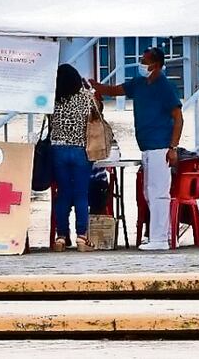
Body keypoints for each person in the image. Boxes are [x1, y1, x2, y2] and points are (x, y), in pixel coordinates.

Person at [91, 47, 183, 251]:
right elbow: (117, 90)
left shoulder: (165, 87)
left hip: (161, 146)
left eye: (145, 61)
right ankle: (163, 233)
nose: (141, 64)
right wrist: (96, 86)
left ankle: (159, 239)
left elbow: (178, 118)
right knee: (149, 192)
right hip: (147, 146)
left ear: (156, 65)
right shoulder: (139, 83)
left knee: (158, 192)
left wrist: (173, 147)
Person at [49, 64, 97, 252]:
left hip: (58, 150)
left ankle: (61, 236)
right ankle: (81, 237)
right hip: (80, 150)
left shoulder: (52, 100)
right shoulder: (86, 98)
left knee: (63, 194)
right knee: (80, 194)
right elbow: (96, 114)